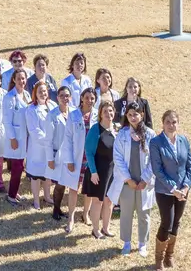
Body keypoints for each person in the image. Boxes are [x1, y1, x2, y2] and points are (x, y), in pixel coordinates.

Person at [108, 101, 156, 258]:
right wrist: (128, 179)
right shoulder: (122, 134)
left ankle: (143, 244)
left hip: (144, 184)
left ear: (142, 114)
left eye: (136, 114)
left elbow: (154, 160)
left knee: (144, 214)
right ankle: (126, 242)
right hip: (127, 183)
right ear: (126, 116)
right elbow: (118, 158)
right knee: (126, 214)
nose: (133, 117)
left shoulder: (150, 134)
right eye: (130, 115)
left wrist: (145, 179)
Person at [150, 110, 191, 269]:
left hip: (183, 190)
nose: (171, 125)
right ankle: (159, 259)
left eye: (174, 122)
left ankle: (169, 255)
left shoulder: (184, 140)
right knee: (166, 223)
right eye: (168, 122)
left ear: (178, 123)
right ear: (162, 123)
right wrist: (173, 188)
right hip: (165, 190)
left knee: (176, 222)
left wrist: (186, 185)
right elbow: (157, 170)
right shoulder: (156, 142)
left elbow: (190, 166)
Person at [62, 87, 97, 233]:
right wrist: (69, 160)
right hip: (77, 157)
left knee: (89, 189)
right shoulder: (74, 115)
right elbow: (68, 138)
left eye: (92, 98)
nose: (89, 100)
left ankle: (85, 214)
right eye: (87, 97)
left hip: (91, 159)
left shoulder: (97, 115)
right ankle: (71, 217)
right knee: (74, 188)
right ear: (81, 98)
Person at [85, 100, 117, 239]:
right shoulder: (95, 129)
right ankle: (95, 229)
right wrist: (93, 172)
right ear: (100, 114)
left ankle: (106, 227)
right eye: (105, 111)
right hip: (98, 171)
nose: (108, 114)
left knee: (109, 201)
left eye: (110, 111)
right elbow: (89, 152)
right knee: (98, 201)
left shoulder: (116, 129)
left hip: (112, 171)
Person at [26, 81, 56, 209]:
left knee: (48, 174)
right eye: (40, 92)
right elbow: (34, 131)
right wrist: (47, 140)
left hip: (50, 147)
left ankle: (47, 196)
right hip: (38, 148)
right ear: (35, 94)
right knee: (36, 175)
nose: (43, 94)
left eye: (44, 91)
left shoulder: (53, 105)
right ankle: (36, 200)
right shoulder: (31, 109)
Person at [46, 86, 75, 220]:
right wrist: (50, 159)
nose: (65, 98)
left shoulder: (74, 113)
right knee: (59, 183)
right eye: (62, 95)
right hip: (58, 154)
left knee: (68, 183)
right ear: (57, 98)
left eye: (67, 95)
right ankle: (56, 210)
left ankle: (60, 209)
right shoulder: (52, 115)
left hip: (72, 154)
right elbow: (48, 139)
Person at [3, 68, 31, 206]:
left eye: (23, 78)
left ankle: (15, 192)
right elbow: (7, 121)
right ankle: (11, 196)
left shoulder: (26, 94)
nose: (22, 81)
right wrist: (12, 138)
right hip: (16, 138)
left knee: (21, 166)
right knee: (17, 167)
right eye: (19, 78)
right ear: (14, 79)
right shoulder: (9, 97)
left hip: (25, 137)